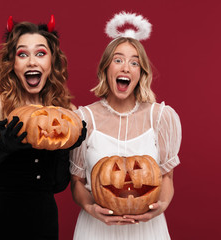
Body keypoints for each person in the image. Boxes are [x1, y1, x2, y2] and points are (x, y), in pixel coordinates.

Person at [0, 15, 85, 240]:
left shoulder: (65, 112)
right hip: (1, 223)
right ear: (12, 63)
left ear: (52, 61)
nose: (32, 62)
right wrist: (4, 149)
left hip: (45, 224)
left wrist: (66, 148)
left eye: (40, 53)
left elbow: (58, 186)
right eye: (22, 54)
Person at [69, 12, 182, 239]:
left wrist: (161, 206)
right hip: (97, 228)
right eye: (118, 60)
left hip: (147, 229)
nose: (126, 68)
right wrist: (91, 208)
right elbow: (77, 182)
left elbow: (167, 178)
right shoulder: (83, 119)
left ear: (141, 73)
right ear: (105, 69)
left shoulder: (161, 117)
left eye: (134, 63)